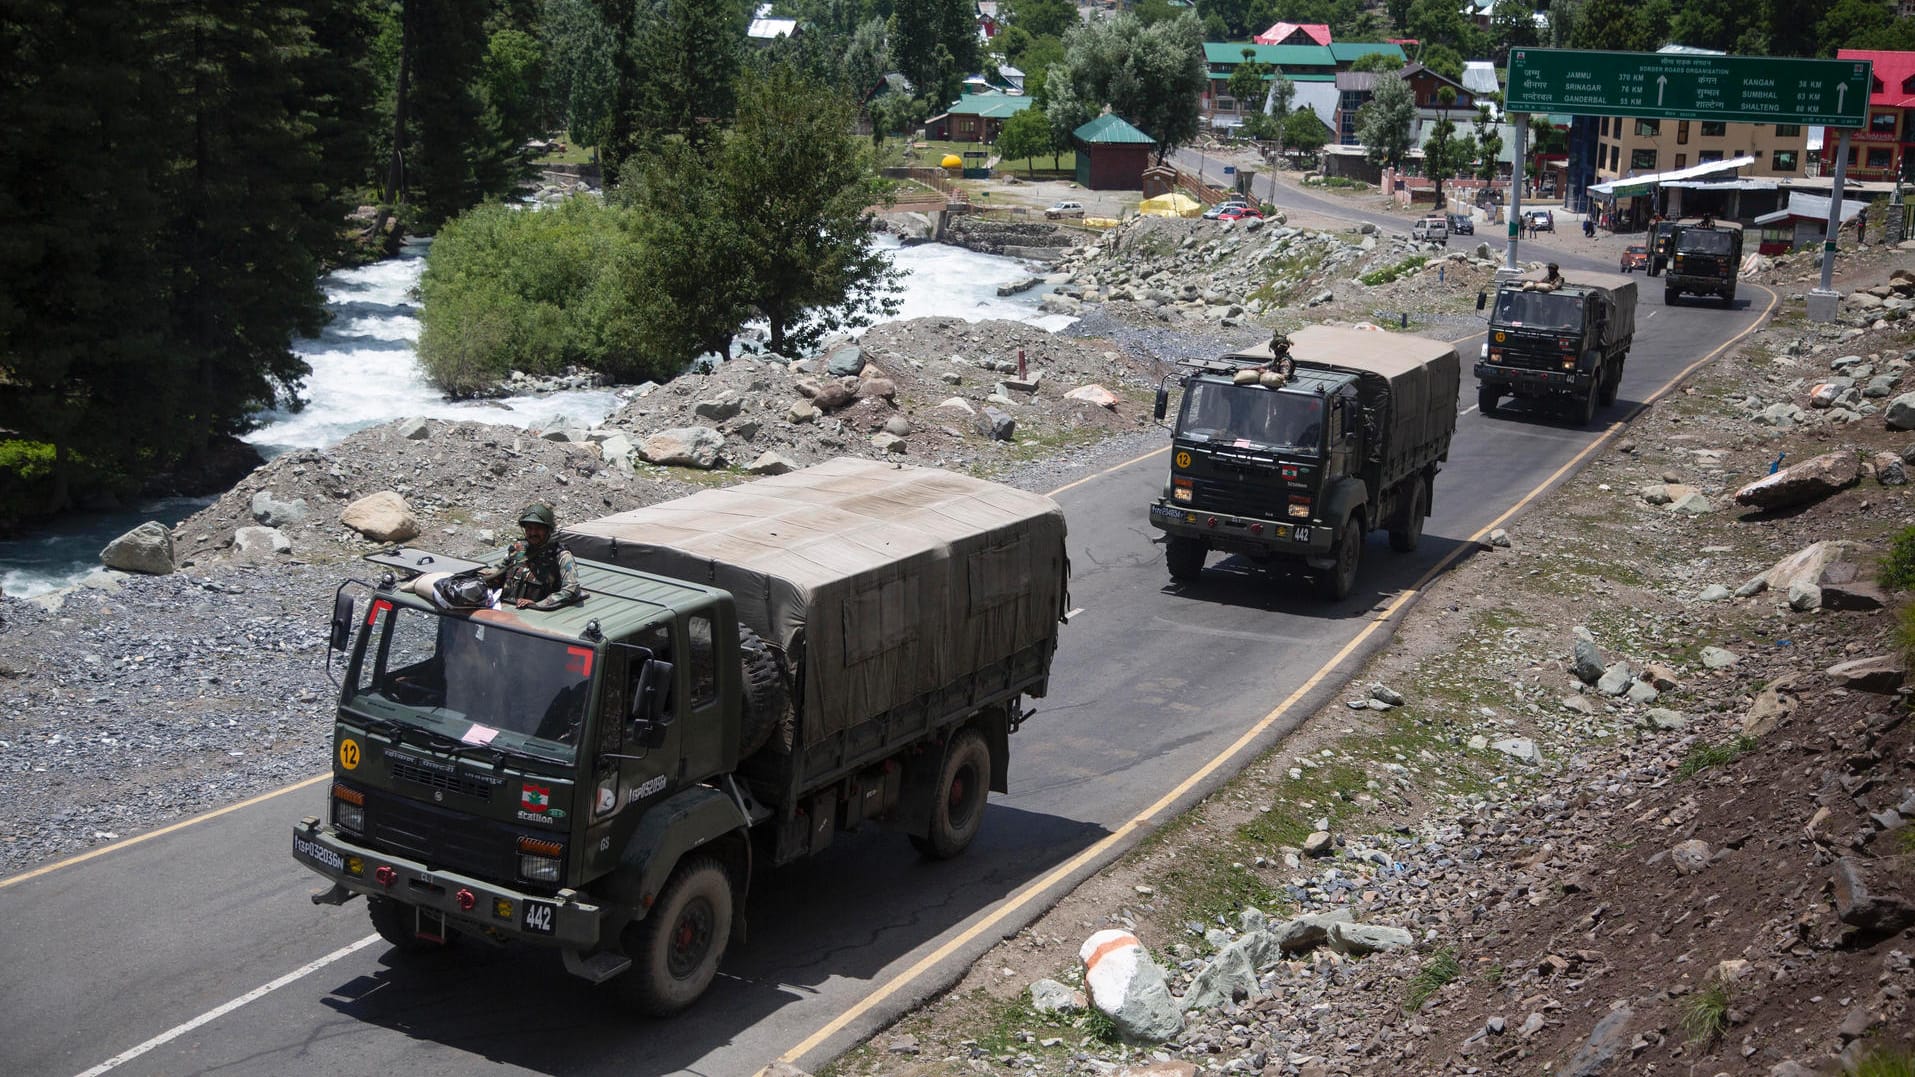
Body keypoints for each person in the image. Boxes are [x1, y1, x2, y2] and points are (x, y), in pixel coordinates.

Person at [479, 503, 581, 610]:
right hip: (505, 609)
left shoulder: (561, 556)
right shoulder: (518, 549)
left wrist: (539, 604)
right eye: (529, 528)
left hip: (535, 615)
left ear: (548, 530)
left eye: (538, 528)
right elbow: (497, 570)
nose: (533, 533)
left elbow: (571, 589)